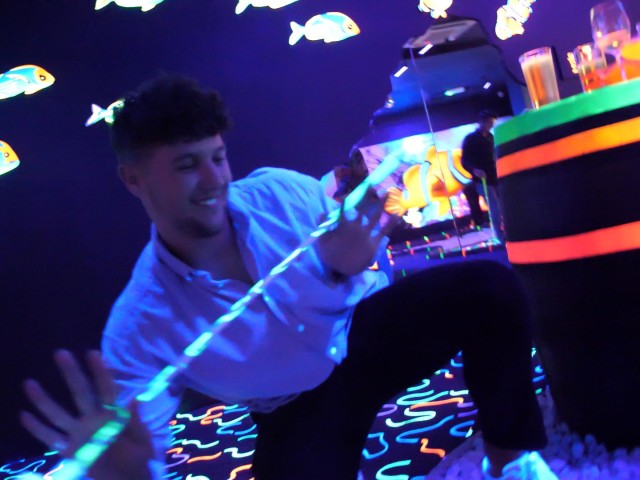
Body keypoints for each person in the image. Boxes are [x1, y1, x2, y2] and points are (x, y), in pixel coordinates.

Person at [22, 75, 558, 480]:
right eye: (187, 165)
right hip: (290, 405)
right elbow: (143, 446)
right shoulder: (140, 322)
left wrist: (344, 267)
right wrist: (130, 473)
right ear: (133, 180)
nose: (213, 180)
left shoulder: (279, 192)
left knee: (489, 287)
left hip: (364, 333)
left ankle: (510, 457)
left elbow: (350, 257)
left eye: (217, 157)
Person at [461, 110, 504, 241]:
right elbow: (465, 160)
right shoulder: (470, 139)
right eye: (489, 122)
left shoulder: (491, 137)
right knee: (495, 208)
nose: (491, 125)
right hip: (482, 180)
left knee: (503, 206)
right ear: (481, 122)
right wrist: (475, 170)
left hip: (496, 177)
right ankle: (500, 236)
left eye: (492, 122)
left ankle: (507, 232)